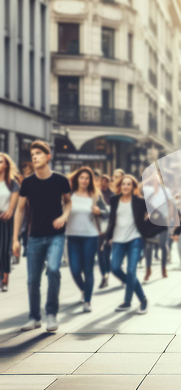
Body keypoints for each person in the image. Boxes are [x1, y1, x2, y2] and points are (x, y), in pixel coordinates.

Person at [13, 141, 72, 332]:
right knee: (33, 280)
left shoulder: (60, 180)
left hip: (56, 235)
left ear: (48, 157)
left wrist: (63, 216)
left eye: (38, 153)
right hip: (35, 237)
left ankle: (52, 314)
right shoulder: (28, 183)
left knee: (54, 270)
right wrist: (15, 239)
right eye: (32, 155)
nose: (35, 157)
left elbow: (68, 203)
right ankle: (34, 317)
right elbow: (20, 210)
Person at [106, 174, 165, 313]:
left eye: (128, 184)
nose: (125, 186)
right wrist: (109, 237)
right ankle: (142, 297)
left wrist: (147, 224)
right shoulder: (114, 200)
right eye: (123, 184)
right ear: (120, 186)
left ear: (133, 187)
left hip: (135, 239)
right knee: (115, 268)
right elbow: (111, 219)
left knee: (131, 271)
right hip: (118, 240)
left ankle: (128, 301)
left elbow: (158, 215)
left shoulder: (140, 202)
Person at [66, 167, 108, 312]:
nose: (84, 180)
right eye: (81, 177)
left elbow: (107, 213)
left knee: (88, 269)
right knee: (75, 269)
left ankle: (88, 301)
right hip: (72, 236)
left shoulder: (95, 195)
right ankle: (85, 289)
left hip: (91, 236)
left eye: (87, 178)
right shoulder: (69, 195)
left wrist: (99, 211)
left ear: (90, 181)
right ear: (77, 179)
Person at [0, 153, 20, 292]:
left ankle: (5, 278)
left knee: (3, 251)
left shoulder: (12, 183)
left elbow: (13, 202)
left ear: (6, 164)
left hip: (5, 219)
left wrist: (10, 210)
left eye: (0, 162)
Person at [97, 174, 114, 288]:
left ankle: (107, 272)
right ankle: (105, 275)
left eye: (106, 181)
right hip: (98, 227)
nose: (104, 183)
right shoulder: (96, 194)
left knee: (106, 253)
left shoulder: (112, 195)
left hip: (108, 226)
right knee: (99, 252)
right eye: (102, 181)